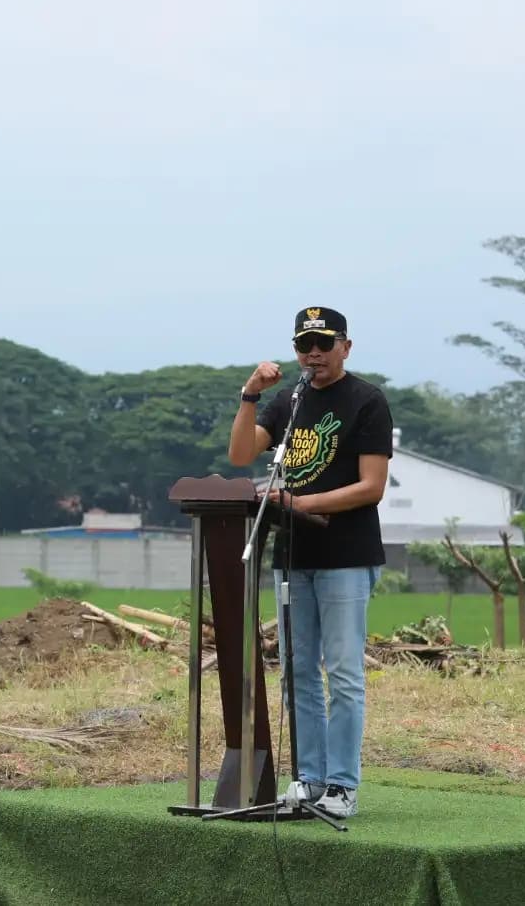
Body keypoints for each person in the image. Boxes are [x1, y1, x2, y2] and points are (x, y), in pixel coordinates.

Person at [227, 306, 393, 819]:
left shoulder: (367, 401)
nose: (313, 354)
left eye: (323, 343)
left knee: (342, 672)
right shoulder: (290, 401)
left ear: (346, 345)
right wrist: (250, 395)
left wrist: (303, 504)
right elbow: (239, 456)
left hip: (346, 555)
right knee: (297, 671)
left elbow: (372, 487)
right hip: (294, 553)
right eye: (305, 346)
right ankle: (308, 778)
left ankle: (342, 785)